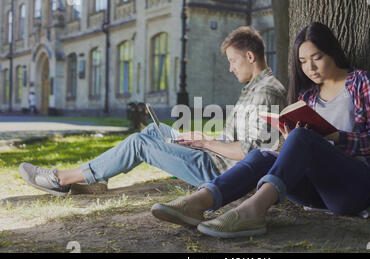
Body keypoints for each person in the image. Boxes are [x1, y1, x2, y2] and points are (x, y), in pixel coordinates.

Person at [151, 22, 370, 238]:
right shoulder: (308, 95)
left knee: (303, 137)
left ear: (332, 52)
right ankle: (201, 201)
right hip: (319, 192)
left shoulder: (362, 82)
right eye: (303, 62)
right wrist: (291, 140)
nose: (310, 67)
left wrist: (334, 136)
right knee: (261, 154)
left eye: (316, 57)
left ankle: (253, 210)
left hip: (355, 187)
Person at [18, 26, 287, 197]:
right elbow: (238, 141)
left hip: (218, 172)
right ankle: (95, 179)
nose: (230, 68)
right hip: (214, 157)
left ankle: (61, 180)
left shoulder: (266, 91)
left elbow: (251, 154)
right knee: (154, 130)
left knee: (138, 143)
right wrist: (201, 139)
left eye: (232, 61)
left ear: (250, 57)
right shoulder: (254, 87)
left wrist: (205, 142)